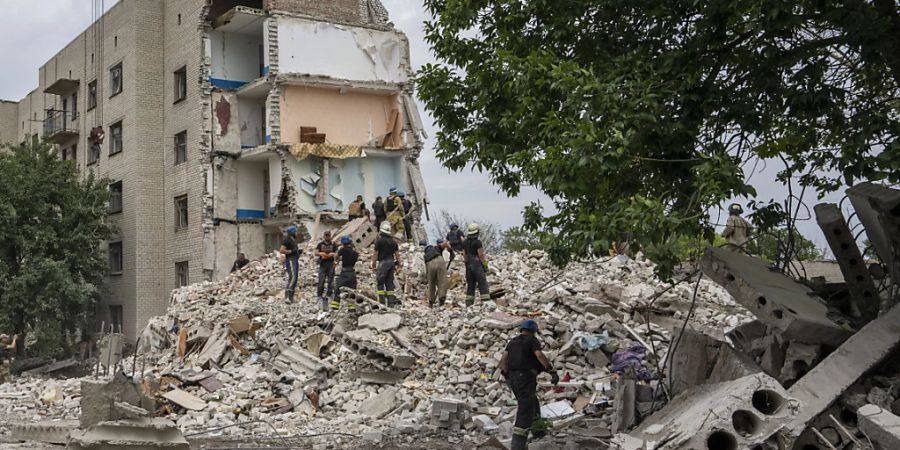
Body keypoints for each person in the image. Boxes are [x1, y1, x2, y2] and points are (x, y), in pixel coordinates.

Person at [500, 320, 559, 450]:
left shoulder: (512, 342)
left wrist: (506, 374)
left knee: (533, 402)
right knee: (525, 409)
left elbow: (504, 358)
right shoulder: (532, 340)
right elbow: (539, 355)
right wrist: (551, 370)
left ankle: (538, 431)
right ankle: (517, 445)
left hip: (513, 378)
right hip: (525, 377)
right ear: (533, 331)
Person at [372, 221, 402, 306]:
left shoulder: (379, 241)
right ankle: (391, 303)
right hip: (391, 263)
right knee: (389, 283)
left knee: (380, 282)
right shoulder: (394, 242)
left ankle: (381, 303)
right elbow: (397, 255)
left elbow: (375, 254)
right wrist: (400, 265)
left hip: (383, 263)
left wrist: (373, 265)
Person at [463, 223, 491, 306]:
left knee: (471, 283)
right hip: (476, 264)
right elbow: (481, 255)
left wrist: (467, 264)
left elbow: (464, 255)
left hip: (468, 264)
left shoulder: (465, 242)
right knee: (482, 282)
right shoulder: (477, 242)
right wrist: (485, 265)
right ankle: (486, 302)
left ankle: (469, 303)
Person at [332, 235, 360, 312]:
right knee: (352, 291)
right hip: (353, 274)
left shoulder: (343, 250)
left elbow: (336, 256)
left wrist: (336, 261)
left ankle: (335, 307)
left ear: (343, 243)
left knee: (338, 288)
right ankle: (351, 309)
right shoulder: (355, 253)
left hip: (345, 273)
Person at [422, 239, 450, 306]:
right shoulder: (436, 248)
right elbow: (445, 244)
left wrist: (427, 277)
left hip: (430, 264)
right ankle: (442, 297)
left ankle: (431, 301)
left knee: (431, 283)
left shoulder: (425, 255)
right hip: (440, 260)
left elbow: (427, 270)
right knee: (442, 280)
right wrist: (450, 249)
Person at [315, 230, 337, 310]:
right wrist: (321, 254)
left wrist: (333, 254)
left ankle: (329, 293)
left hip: (331, 264)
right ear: (324, 236)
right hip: (323, 264)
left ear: (330, 236)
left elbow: (337, 253)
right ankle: (319, 294)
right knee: (321, 280)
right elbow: (316, 252)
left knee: (331, 280)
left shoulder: (333, 244)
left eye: (329, 235)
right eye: (326, 235)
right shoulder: (320, 244)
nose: (327, 237)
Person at [279, 226, 301, 304]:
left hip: (295, 260)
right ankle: (288, 296)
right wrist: (291, 251)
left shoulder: (293, 240)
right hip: (290, 260)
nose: (296, 233)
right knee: (293, 277)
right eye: (295, 232)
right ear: (292, 232)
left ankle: (290, 297)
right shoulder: (287, 240)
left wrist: (298, 252)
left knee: (294, 278)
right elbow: (282, 250)